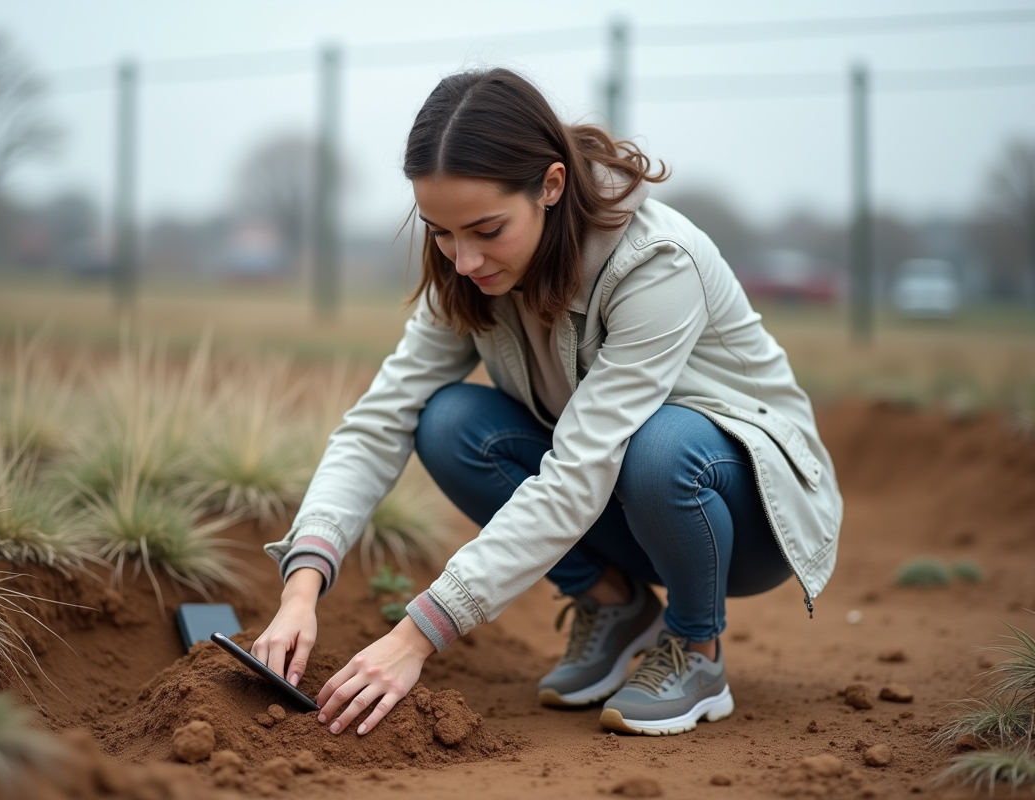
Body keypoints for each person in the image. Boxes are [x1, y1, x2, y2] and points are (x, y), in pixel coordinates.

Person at [252, 68, 842, 738]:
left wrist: (416, 635)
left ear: (551, 187)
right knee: (447, 422)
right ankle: (616, 608)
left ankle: (695, 648)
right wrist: (302, 585)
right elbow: (378, 422)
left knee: (659, 446)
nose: (464, 259)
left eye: (486, 229)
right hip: (619, 502)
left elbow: (581, 467)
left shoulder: (655, 262)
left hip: (746, 513)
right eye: (441, 232)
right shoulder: (467, 274)